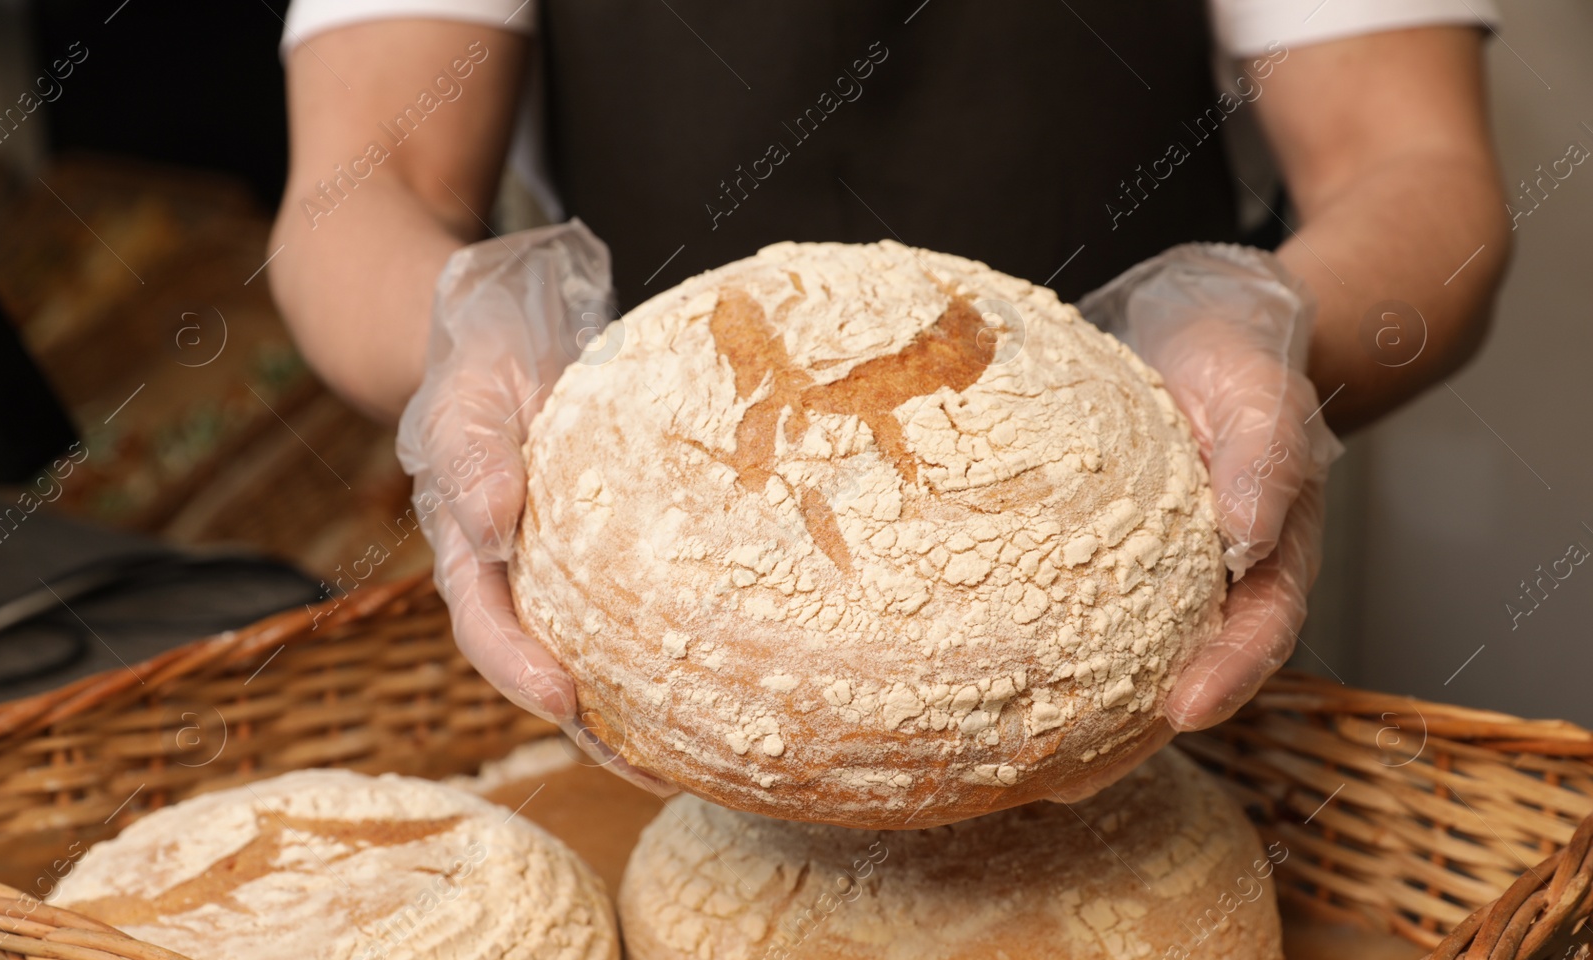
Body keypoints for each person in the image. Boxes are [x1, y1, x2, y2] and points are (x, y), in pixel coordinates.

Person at [268, 1, 1510, 790]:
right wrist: (473, 336)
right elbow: (365, 185)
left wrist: (1262, 330)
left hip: (1131, 646)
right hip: (668, 657)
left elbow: (1408, 161)